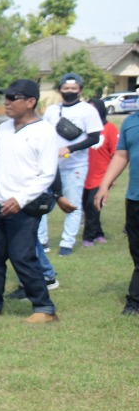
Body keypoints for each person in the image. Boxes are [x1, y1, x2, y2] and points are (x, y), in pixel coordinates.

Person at [0, 80, 62, 324]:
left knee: (22, 256)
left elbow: (47, 174)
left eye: (14, 97)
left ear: (31, 102)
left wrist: (20, 199)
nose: (7, 102)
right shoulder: (3, 128)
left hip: (23, 206)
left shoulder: (44, 132)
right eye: (6, 97)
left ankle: (45, 308)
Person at [41, 73, 103, 257]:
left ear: (80, 90)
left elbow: (94, 138)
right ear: (60, 89)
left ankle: (66, 243)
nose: (69, 92)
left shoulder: (87, 111)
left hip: (75, 166)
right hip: (50, 165)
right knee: (41, 203)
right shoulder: (52, 110)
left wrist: (69, 148)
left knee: (73, 204)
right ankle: (42, 241)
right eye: (66, 88)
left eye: (73, 89)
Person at [93, 106, 139, 316]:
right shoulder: (130, 122)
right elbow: (121, 155)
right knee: (137, 255)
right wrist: (104, 185)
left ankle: (134, 301)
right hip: (135, 199)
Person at [81, 98, 117, 246]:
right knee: (86, 204)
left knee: (93, 205)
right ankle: (98, 234)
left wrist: (112, 177)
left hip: (101, 175)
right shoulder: (83, 129)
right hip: (84, 174)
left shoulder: (110, 129)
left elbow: (116, 154)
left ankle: (88, 237)